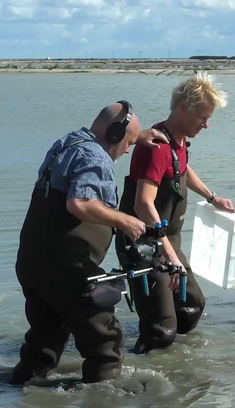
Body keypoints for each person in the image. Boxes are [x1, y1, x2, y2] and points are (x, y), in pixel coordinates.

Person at [10, 101, 169, 386]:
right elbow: (79, 204)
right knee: (106, 344)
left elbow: (107, 137)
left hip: (33, 265)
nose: (128, 149)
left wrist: (138, 134)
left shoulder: (67, 144)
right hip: (67, 268)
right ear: (115, 135)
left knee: (42, 345)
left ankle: (20, 398)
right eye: (128, 143)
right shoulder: (96, 157)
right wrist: (125, 221)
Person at [116, 71, 235, 355]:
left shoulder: (178, 142)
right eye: (202, 118)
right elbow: (143, 204)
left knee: (192, 306)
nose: (206, 125)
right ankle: (137, 373)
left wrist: (212, 197)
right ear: (183, 108)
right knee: (161, 330)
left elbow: (182, 170)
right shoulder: (156, 147)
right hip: (143, 244)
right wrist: (170, 257)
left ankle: (175, 362)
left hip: (168, 241)